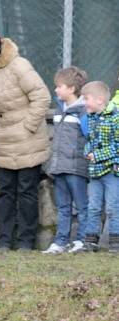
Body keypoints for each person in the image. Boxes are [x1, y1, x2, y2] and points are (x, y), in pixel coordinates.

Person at [0, 27, 50, 251]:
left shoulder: (19, 65)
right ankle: (4, 241)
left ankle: (26, 242)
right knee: (5, 191)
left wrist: (28, 126)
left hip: (28, 140)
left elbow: (42, 96)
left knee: (27, 191)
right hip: (3, 140)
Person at [43, 66, 88, 255]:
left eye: (59, 86)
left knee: (82, 205)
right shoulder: (59, 110)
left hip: (76, 168)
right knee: (62, 206)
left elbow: (89, 137)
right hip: (59, 167)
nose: (55, 90)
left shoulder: (83, 112)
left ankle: (82, 240)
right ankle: (61, 241)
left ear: (71, 89)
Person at [81, 81, 119, 253]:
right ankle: (90, 242)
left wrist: (97, 155)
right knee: (93, 206)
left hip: (112, 171)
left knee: (113, 206)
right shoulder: (90, 118)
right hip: (95, 172)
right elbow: (90, 140)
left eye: (86, 98)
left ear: (99, 100)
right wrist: (88, 151)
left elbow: (117, 145)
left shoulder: (115, 117)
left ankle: (115, 242)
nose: (84, 102)